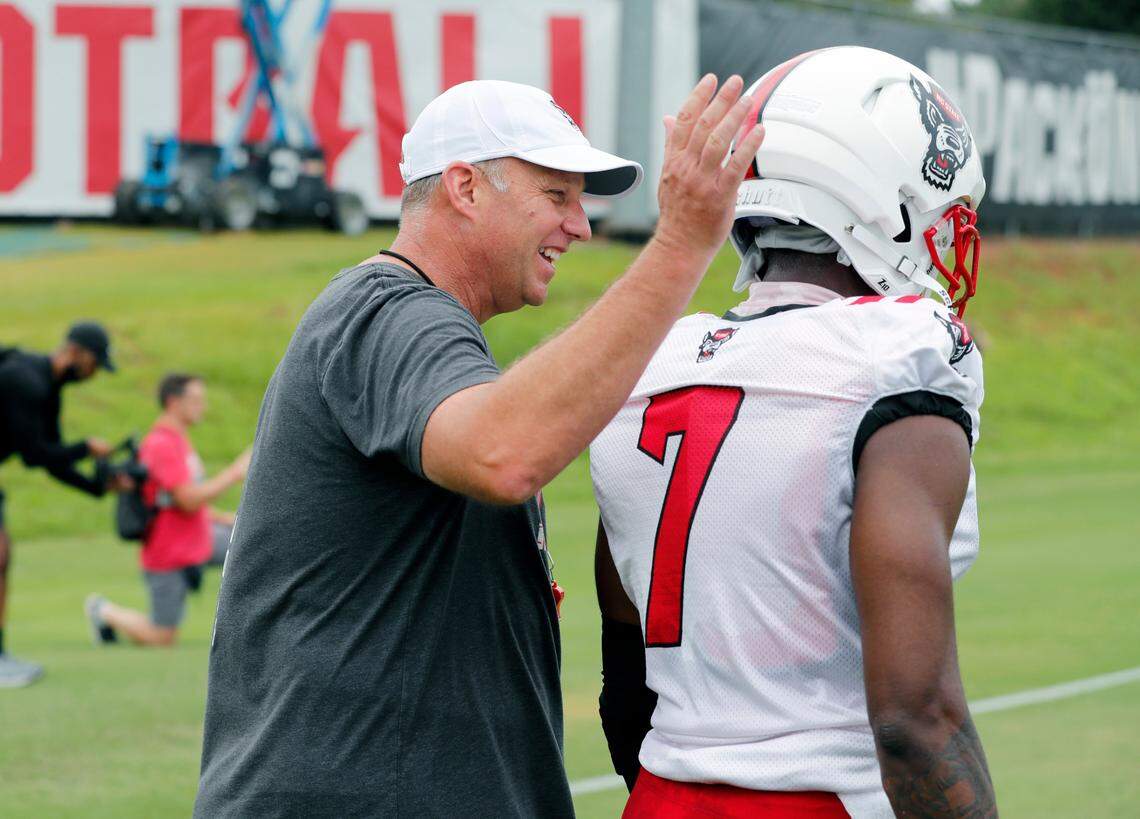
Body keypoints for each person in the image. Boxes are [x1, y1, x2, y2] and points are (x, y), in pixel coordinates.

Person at [194, 76, 765, 817]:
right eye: (557, 195)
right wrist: (683, 241)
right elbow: (507, 451)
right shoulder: (388, 314)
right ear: (465, 187)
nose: (582, 226)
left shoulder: (403, 322)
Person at [591, 47, 998, 818]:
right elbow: (915, 718)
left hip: (660, 797)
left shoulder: (654, 361)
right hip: (825, 798)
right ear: (888, 202)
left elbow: (626, 682)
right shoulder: (896, 359)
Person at [0, 321, 123, 688]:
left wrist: (98, 487)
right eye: (94, 364)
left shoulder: (48, 389)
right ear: (74, 352)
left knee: (2, 557)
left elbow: (54, 462)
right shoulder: (25, 380)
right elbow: (34, 455)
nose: (94, 373)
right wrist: (86, 447)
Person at [85, 373, 248, 647]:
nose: (203, 407)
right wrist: (235, 472)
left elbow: (184, 501)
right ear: (173, 402)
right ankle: (102, 611)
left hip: (199, 539)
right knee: (162, 636)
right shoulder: (161, 444)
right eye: (196, 400)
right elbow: (188, 500)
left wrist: (226, 519)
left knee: (253, 548)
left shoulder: (178, 439)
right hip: (169, 550)